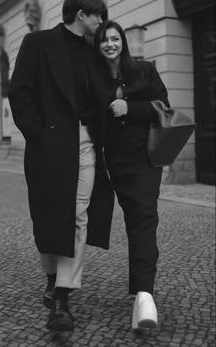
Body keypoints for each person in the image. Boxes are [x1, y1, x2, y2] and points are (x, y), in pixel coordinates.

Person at [8, 0, 114, 332]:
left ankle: (63, 298)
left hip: (84, 143)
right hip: (48, 145)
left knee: (77, 215)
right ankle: (52, 277)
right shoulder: (38, 43)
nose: (101, 21)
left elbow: (104, 95)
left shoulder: (93, 52)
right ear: (80, 14)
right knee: (48, 215)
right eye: (97, 15)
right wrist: (39, 135)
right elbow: (19, 92)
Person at [94, 20, 170, 330]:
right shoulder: (94, 78)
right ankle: (138, 286)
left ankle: (145, 295)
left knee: (144, 216)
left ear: (123, 41)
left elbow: (164, 105)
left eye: (114, 38)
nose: (110, 43)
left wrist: (130, 108)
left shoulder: (144, 70)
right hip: (117, 160)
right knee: (134, 219)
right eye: (104, 40)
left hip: (146, 157)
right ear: (98, 45)